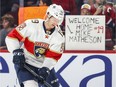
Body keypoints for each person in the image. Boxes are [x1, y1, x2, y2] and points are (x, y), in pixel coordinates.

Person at [5, 4, 65, 87]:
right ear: (48, 15)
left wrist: (45, 68)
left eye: (58, 20)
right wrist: (16, 51)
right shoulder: (31, 24)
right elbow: (12, 37)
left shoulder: (59, 37)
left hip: (42, 65)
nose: (56, 22)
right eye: (54, 18)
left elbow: (53, 56)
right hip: (26, 62)